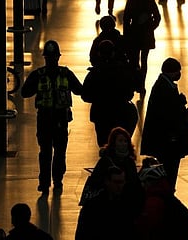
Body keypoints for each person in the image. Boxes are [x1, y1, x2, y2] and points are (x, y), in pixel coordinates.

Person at [21, 40, 83, 194]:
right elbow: (80, 90)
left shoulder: (39, 74)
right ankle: (54, 180)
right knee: (55, 151)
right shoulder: (65, 74)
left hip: (49, 119)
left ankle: (48, 181)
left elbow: (25, 92)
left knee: (48, 152)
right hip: (52, 119)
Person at [141, 58, 188, 190]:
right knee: (169, 171)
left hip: (166, 140)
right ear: (172, 71)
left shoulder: (164, 85)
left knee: (169, 171)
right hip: (167, 141)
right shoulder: (164, 88)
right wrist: (180, 102)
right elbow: (167, 113)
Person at [82, 40, 138, 147]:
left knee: (104, 144)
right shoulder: (122, 70)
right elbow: (130, 92)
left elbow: (85, 95)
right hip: (121, 112)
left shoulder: (94, 73)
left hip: (101, 113)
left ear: (99, 53)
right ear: (113, 53)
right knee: (120, 143)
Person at [81, 127, 145, 206]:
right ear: (113, 142)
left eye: (125, 141)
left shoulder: (129, 162)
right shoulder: (105, 161)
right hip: (107, 201)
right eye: (120, 141)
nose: (123, 144)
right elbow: (96, 180)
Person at [136, 157, 188, 240]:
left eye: (143, 182)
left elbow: (145, 226)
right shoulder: (168, 196)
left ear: (148, 182)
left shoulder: (154, 201)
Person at [75, 166, 141, 239]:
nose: (119, 186)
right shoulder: (93, 206)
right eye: (116, 182)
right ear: (107, 182)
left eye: (122, 182)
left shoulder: (127, 205)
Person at [123, 0, 161, 95]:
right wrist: (150, 27)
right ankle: (141, 84)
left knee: (135, 61)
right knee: (144, 60)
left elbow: (126, 19)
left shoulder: (131, 1)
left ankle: (137, 82)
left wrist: (126, 35)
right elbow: (157, 17)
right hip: (146, 34)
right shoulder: (149, 1)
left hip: (134, 33)